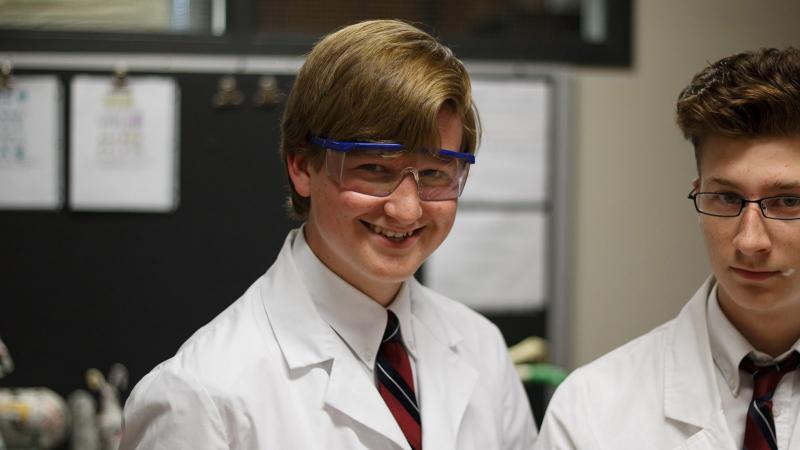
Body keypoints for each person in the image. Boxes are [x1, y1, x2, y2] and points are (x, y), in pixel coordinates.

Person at [119, 19, 537, 450]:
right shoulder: (201, 394)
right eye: (374, 169)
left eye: (434, 174)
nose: (407, 208)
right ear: (302, 166)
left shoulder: (481, 349)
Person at [535, 47, 800, 449]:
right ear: (698, 195)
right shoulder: (590, 408)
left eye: (787, 201)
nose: (750, 241)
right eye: (726, 199)